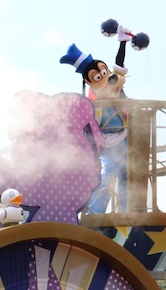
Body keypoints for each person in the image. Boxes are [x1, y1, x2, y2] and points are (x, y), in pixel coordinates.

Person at [61, 23, 137, 214]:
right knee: (109, 174)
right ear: (89, 82)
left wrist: (122, 42)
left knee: (127, 174)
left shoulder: (114, 89)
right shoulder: (94, 98)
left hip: (124, 138)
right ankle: (95, 212)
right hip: (108, 142)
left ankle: (127, 213)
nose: (104, 77)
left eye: (104, 72)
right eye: (97, 76)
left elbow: (118, 69)